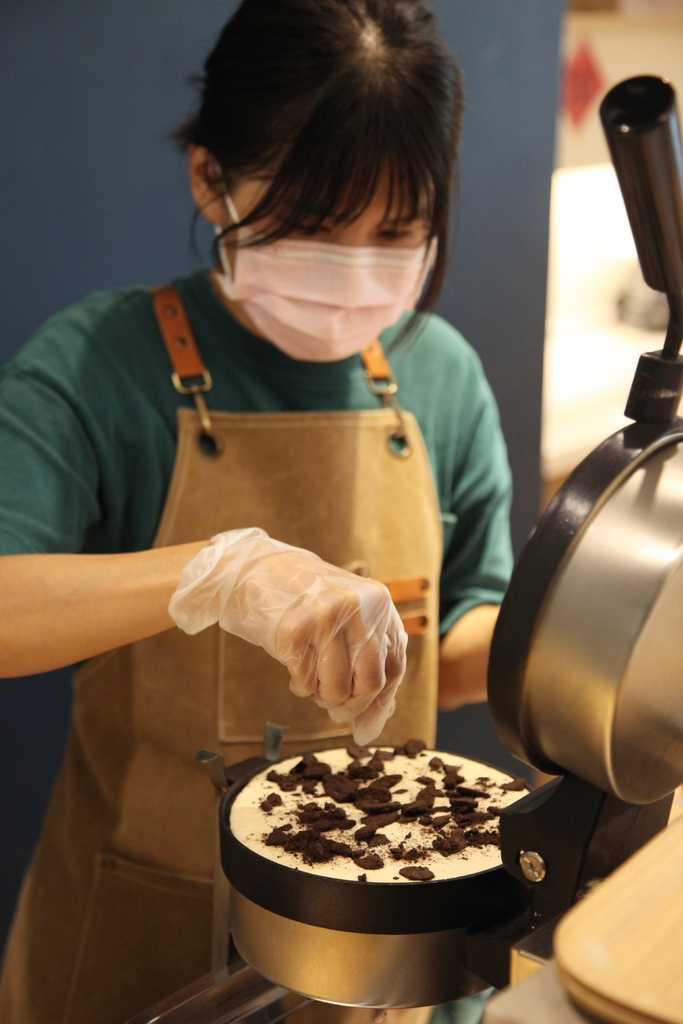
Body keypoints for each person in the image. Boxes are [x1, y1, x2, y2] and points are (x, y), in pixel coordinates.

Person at [0, 2, 513, 1022]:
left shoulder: (440, 377)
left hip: (388, 944)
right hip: (136, 938)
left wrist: (600, 662)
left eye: (398, 233)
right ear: (209, 179)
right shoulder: (97, 365)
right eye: (315, 229)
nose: (359, 272)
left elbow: (460, 645)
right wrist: (223, 574)